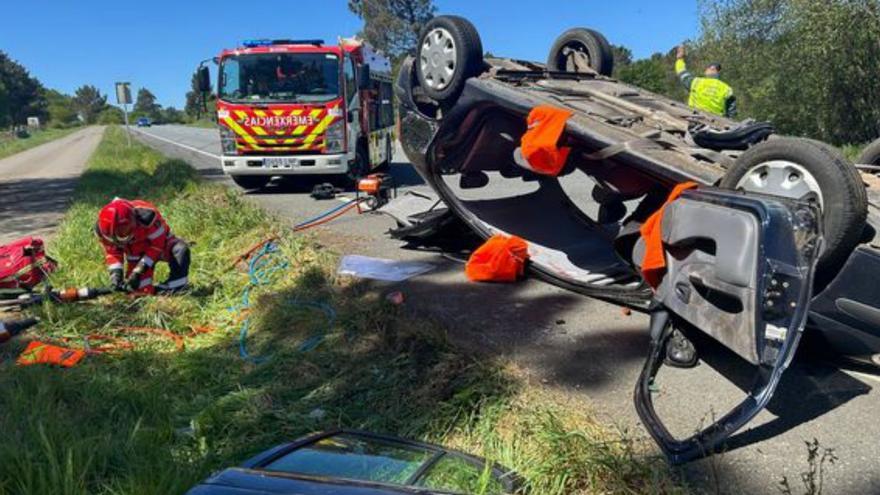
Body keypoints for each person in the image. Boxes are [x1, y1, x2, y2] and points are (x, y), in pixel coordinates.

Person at [95, 198, 190, 294]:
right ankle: (151, 290)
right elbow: (113, 252)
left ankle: (177, 287)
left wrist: (139, 270)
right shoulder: (103, 231)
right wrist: (116, 275)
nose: (119, 239)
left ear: (133, 221)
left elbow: (157, 246)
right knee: (138, 291)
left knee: (180, 250)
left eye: (124, 231)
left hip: (160, 244)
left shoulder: (149, 218)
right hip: (135, 252)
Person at [675, 45, 737, 118]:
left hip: (696, 120)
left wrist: (680, 59)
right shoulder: (726, 89)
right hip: (718, 124)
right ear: (718, 72)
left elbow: (682, 72)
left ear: (707, 70)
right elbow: (731, 112)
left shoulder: (696, 82)